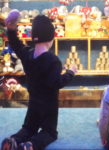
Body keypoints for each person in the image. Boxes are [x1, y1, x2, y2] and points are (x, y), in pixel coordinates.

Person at [1, 10, 77, 150]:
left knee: (28, 128)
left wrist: (11, 29)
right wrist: (71, 72)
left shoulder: (27, 54)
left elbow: (16, 44)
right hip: (49, 105)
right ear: (51, 38)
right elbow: (57, 83)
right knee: (49, 132)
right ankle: (31, 145)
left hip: (34, 102)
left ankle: (13, 140)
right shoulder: (53, 60)